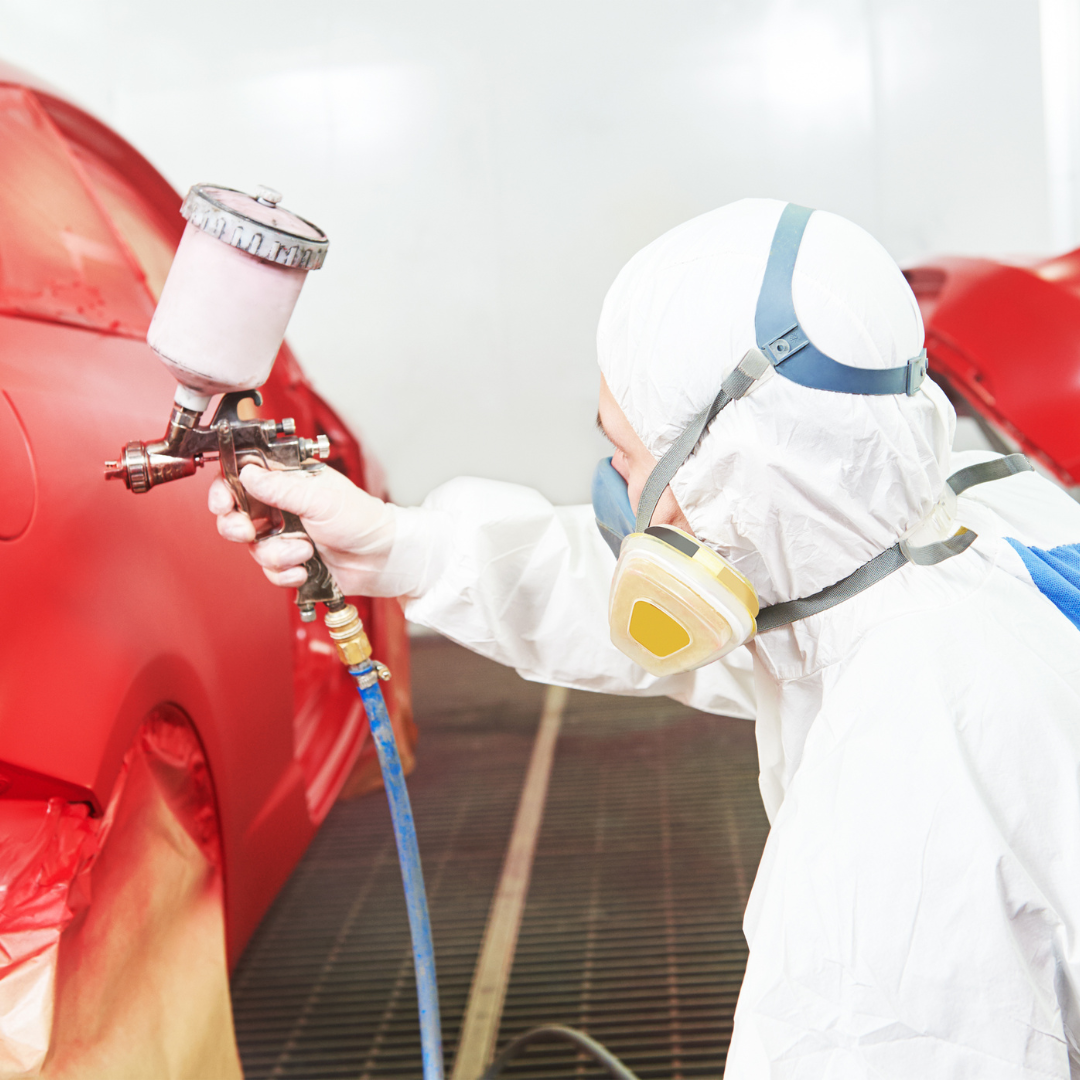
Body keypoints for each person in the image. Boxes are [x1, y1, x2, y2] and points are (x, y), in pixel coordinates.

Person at [209, 198, 1080, 1076]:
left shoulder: (907, 782)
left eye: (627, 457)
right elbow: (769, 614)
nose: (621, 492)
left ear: (733, 471)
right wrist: (404, 548)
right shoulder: (973, 526)